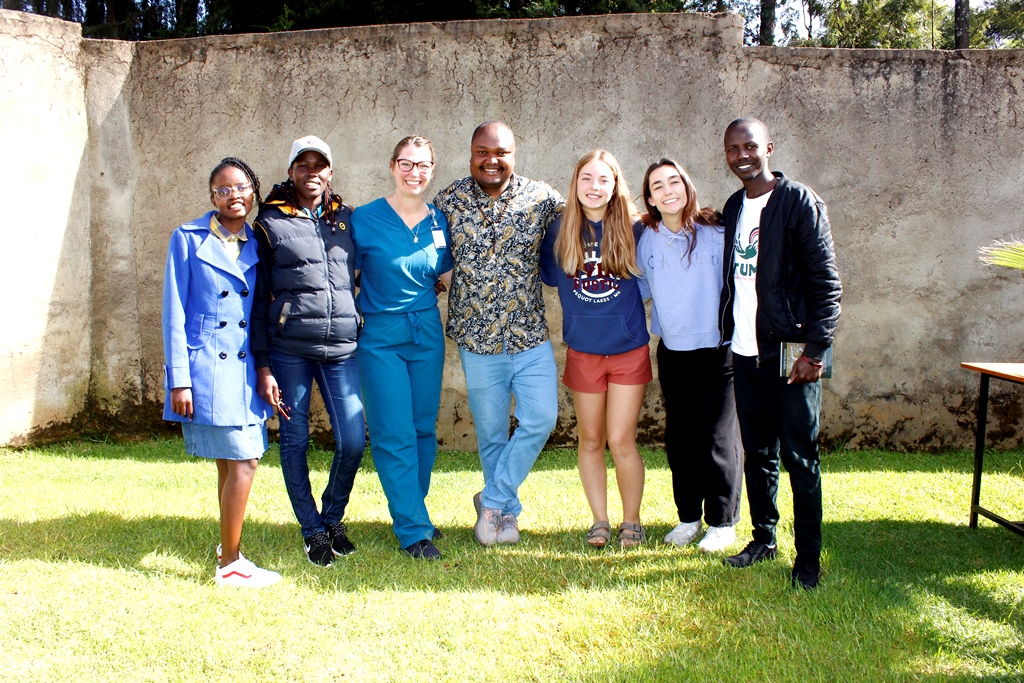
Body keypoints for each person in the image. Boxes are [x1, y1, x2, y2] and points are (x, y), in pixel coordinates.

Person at [718, 118, 841, 590]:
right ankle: (764, 539)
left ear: (768, 148)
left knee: (800, 457)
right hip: (745, 353)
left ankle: (808, 558)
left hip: (792, 355)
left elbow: (826, 282)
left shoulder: (799, 202)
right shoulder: (734, 206)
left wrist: (816, 351)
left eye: (750, 146)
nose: (742, 156)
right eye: (733, 149)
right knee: (758, 454)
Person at [433, 121, 564, 546]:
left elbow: (589, 213)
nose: (492, 160)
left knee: (541, 418)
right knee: (491, 434)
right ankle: (504, 516)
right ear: (471, 154)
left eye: (501, 152)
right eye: (483, 152)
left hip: (529, 335)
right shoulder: (448, 200)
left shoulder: (541, 198)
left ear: (514, 154)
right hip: (477, 340)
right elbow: (423, 240)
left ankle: (490, 499)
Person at [162, 157, 281, 588]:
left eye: (242, 187)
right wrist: (179, 379)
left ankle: (226, 548)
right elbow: (174, 311)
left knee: (232, 465)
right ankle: (230, 564)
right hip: (208, 367)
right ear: (213, 197)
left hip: (247, 368)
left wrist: (267, 368)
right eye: (223, 190)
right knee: (244, 461)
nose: (234, 196)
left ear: (254, 191)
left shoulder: (260, 241)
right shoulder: (187, 238)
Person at [251, 135, 366, 567]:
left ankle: (332, 517)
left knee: (352, 440)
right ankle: (312, 529)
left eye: (320, 165)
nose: (312, 172)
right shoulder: (269, 222)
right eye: (304, 164)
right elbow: (259, 296)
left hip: (341, 348)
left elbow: (370, 267)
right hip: (289, 350)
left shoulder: (347, 219)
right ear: (291, 171)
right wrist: (263, 364)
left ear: (330, 172)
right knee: (295, 440)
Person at [540, 149, 651, 549]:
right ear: (575, 183)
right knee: (589, 439)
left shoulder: (635, 229)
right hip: (584, 350)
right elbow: (550, 278)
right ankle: (599, 521)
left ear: (615, 185)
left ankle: (632, 522)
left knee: (621, 440)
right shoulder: (559, 231)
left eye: (604, 179)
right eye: (586, 178)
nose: (594, 186)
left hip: (628, 349)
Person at [351, 135, 453, 560]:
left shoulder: (439, 220)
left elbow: (444, 274)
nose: (415, 172)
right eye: (407, 164)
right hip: (380, 336)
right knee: (394, 432)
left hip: (426, 330)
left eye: (423, 165)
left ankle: (414, 511)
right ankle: (413, 530)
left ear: (432, 170)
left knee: (422, 428)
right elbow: (343, 273)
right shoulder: (364, 219)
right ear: (393, 166)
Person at [637, 158, 743, 554]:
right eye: (658, 186)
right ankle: (688, 518)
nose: (668, 191)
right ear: (650, 199)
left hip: (718, 351)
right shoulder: (646, 240)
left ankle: (723, 522)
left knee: (718, 437)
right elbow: (638, 290)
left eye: (674, 182)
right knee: (680, 439)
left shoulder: (718, 232)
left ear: (686, 186)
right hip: (674, 352)